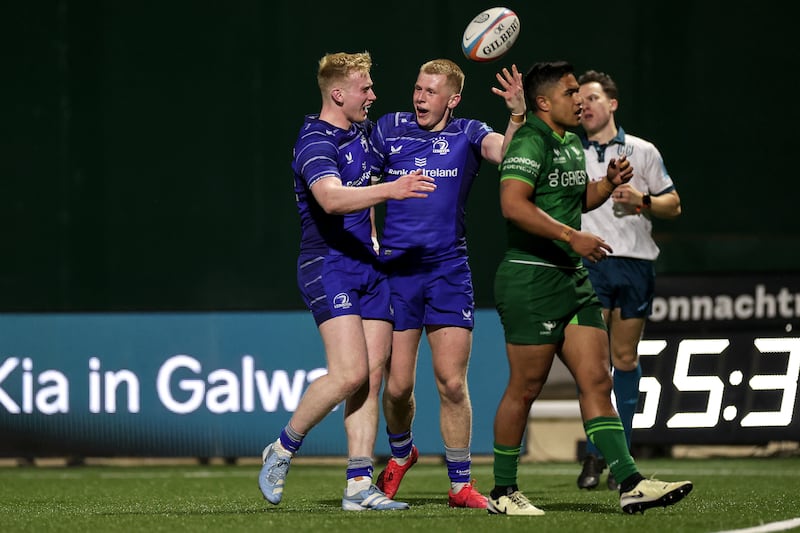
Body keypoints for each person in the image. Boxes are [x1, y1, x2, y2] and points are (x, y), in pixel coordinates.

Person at [488, 60, 692, 516]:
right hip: (531, 277)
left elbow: (577, 199)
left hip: (572, 279)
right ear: (544, 102)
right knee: (526, 386)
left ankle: (630, 481)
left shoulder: (570, 144)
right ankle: (502, 492)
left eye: (581, 90)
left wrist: (607, 184)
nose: (580, 98)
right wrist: (570, 236)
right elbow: (512, 205)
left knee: (598, 378)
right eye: (570, 91)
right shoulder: (528, 140)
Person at [258, 51, 437, 512]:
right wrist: (390, 190)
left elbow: (366, 200)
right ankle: (281, 448)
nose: (374, 94)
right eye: (366, 88)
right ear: (338, 93)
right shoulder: (314, 142)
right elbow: (332, 198)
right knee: (349, 373)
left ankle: (359, 483)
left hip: (369, 266)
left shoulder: (359, 133)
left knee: (371, 379)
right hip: (328, 265)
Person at [370, 59, 526, 509]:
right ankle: (402, 454)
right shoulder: (389, 128)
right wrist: (372, 235)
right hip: (397, 273)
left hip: (447, 272)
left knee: (451, 384)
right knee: (397, 387)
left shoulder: (469, 132)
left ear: (452, 99)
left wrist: (516, 114)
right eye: (417, 88)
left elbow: (509, 156)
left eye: (430, 91)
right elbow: (361, 181)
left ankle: (460, 485)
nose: (419, 97)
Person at [575, 70, 682, 491]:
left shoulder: (642, 151)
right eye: (579, 100)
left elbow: (674, 204)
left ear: (613, 104)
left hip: (635, 264)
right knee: (593, 366)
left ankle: (622, 454)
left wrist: (645, 200)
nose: (585, 106)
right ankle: (594, 454)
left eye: (593, 98)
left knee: (624, 360)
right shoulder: (569, 150)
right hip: (592, 262)